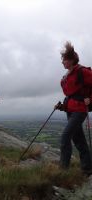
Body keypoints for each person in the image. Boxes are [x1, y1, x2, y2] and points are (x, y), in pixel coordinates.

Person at [55, 42, 92, 176]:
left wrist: (91, 99)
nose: (62, 62)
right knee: (79, 141)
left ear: (71, 60)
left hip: (80, 110)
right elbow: (71, 96)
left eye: (64, 60)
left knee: (65, 137)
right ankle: (87, 169)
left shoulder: (83, 72)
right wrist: (62, 107)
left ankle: (63, 170)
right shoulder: (66, 77)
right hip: (70, 109)